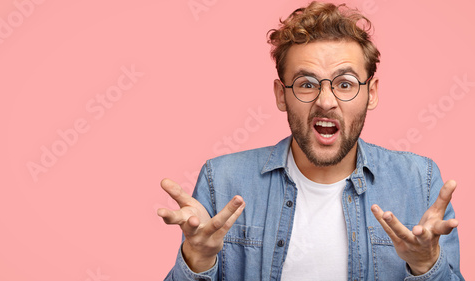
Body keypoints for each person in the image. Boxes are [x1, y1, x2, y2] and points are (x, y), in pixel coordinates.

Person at [157, 1, 464, 280]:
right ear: (281, 94)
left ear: (371, 93)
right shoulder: (221, 181)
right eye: (307, 84)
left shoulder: (418, 181)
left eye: (345, 83)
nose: (326, 101)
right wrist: (196, 259)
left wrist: (426, 265)